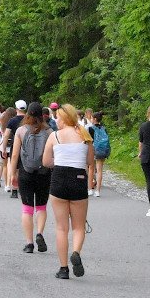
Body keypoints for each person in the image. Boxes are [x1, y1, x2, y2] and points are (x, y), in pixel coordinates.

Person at [44, 104, 93, 279]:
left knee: (61, 228)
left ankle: (63, 269)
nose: (56, 120)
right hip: (78, 179)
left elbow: (46, 161)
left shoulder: (54, 136)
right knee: (78, 226)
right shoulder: (84, 135)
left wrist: (58, 161)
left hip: (59, 179)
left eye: (58, 117)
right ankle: (76, 252)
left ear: (64, 119)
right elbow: (90, 161)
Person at [9, 102, 52, 254]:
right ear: (42, 114)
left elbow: (14, 155)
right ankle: (39, 232)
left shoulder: (21, 130)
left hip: (25, 172)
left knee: (27, 209)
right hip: (44, 173)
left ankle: (29, 243)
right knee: (41, 206)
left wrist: (12, 173)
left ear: (27, 114)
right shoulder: (49, 131)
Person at [1, 100, 28, 197]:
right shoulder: (29, 120)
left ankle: (14, 190)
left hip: (15, 146)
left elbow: (6, 135)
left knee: (15, 167)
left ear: (16, 109)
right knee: (24, 168)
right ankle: (23, 188)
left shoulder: (12, 121)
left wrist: (3, 148)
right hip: (27, 147)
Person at [88, 111, 110, 197]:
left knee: (91, 169)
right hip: (102, 151)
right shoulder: (104, 128)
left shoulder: (91, 129)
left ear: (95, 119)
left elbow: (89, 141)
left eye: (92, 118)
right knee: (100, 171)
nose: (91, 119)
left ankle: (90, 189)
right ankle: (98, 191)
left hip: (93, 150)